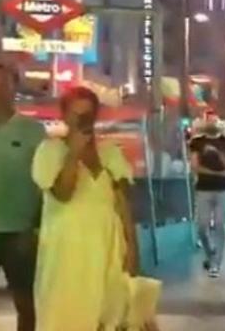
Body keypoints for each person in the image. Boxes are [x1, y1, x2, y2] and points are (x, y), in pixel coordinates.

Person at [31, 86, 139, 331]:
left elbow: (124, 204)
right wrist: (74, 153)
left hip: (107, 250)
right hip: (66, 255)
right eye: (76, 114)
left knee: (107, 318)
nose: (82, 120)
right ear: (64, 115)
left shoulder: (110, 153)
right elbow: (63, 194)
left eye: (88, 114)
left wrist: (132, 248)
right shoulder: (49, 151)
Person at [0, 65, 44, 331]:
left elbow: (43, 183)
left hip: (21, 231)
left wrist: (35, 226)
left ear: (13, 90)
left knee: (26, 303)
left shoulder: (33, 132)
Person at [189, 122, 225, 278]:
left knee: (220, 225)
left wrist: (215, 171)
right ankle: (211, 252)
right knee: (202, 225)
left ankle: (216, 264)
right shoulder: (197, 142)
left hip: (223, 189)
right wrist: (219, 173)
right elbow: (195, 166)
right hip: (204, 188)